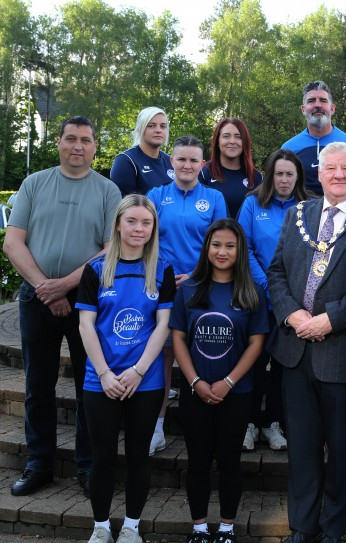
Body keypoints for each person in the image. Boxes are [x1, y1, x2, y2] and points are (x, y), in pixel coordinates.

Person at [267, 142, 346, 543]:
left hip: (345, 352)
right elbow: (276, 273)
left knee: (341, 452)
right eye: (331, 168)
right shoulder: (297, 216)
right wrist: (292, 314)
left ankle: (332, 530)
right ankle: (302, 528)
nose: (338, 174)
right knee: (302, 450)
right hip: (295, 351)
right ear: (319, 174)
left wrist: (329, 320)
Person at [3, 115, 122, 497]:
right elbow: (13, 243)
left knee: (91, 387)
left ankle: (89, 466)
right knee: (38, 385)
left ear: (94, 147)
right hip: (37, 298)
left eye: (85, 140)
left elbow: (111, 250)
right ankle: (39, 464)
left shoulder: (108, 191)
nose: (77, 146)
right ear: (58, 143)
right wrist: (45, 289)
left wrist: (65, 286)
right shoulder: (34, 184)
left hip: (88, 303)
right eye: (70, 138)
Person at [77, 195, 175, 543]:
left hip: (144, 381)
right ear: (118, 224)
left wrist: (138, 370)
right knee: (102, 457)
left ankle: (131, 527)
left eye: (146, 223)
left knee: (138, 456)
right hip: (100, 380)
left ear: (153, 228)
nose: (138, 229)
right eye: (131, 221)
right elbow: (86, 326)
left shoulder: (162, 268)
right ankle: (101, 527)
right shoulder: (95, 269)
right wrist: (104, 373)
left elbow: (163, 325)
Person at [170, 219, 270, 543]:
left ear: (240, 250)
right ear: (207, 248)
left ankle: (226, 527)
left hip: (237, 393)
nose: (222, 251)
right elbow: (178, 338)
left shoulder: (251, 292)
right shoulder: (188, 289)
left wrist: (228, 381)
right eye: (216, 245)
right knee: (198, 461)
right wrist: (195, 381)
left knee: (229, 461)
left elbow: (257, 343)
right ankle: (199, 527)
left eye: (230, 245)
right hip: (194, 391)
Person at [146, 136, 227, 455]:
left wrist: (196, 275)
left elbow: (221, 244)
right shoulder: (155, 195)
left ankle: (210, 426)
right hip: (162, 288)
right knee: (162, 359)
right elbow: (145, 239)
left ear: (202, 164)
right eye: (181, 159)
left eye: (194, 160)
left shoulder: (214, 198)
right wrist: (163, 277)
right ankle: (156, 427)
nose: (187, 165)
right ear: (172, 162)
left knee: (205, 357)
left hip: (201, 287)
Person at [237, 149, 310, 452]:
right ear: (269, 175)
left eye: (289, 174)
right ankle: (250, 423)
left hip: (294, 303)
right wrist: (268, 285)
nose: (283, 180)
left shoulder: (309, 207)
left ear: (297, 177)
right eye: (278, 173)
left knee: (283, 366)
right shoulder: (253, 204)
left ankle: (274, 423)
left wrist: (288, 294)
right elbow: (245, 246)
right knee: (255, 363)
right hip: (258, 298)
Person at [281, 80, 346, 196]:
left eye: (323, 101)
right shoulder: (288, 149)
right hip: (300, 212)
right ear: (303, 109)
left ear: (332, 108)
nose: (318, 105)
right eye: (311, 101)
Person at [199, 118, 263, 218]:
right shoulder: (205, 174)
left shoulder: (257, 177)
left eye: (238, 137)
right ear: (217, 141)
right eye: (226, 136)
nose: (232, 141)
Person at [110, 107, 174, 196]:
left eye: (163, 126)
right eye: (151, 126)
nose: (158, 130)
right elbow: (124, 205)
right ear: (141, 129)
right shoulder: (126, 161)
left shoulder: (170, 161)